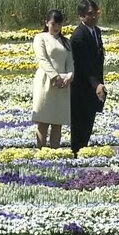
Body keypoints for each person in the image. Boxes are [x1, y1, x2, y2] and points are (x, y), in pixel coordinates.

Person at [69, 0, 107, 156]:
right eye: (90, 14)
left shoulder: (96, 31)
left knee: (89, 122)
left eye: (96, 13)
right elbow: (83, 65)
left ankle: (82, 152)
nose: (94, 17)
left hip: (94, 85)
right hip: (81, 87)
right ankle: (76, 153)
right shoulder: (78, 36)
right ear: (81, 16)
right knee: (80, 124)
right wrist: (96, 85)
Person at [32, 9, 74, 148]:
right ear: (47, 23)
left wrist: (69, 76)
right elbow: (42, 59)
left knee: (57, 122)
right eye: (53, 24)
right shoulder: (40, 38)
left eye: (59, 25)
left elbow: (70, 61)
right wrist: (54, 76)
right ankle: (41, 152)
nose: (56, 28)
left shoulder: (66, 42)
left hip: (62, 84)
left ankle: (55, 152)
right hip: (46, 81)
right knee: (43, 120)